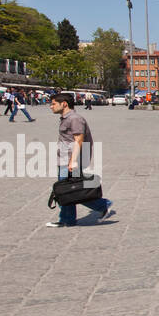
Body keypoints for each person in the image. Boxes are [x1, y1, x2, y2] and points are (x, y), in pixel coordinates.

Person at [45, 92, 113, 227]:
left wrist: (73, 161)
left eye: (53, 104)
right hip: (65, 159)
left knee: (70, 190)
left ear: (63, 104)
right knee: (68, 189)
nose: (50, 106)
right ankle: (67, 219)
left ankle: (103, 204)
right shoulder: (66, 118)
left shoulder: (75, 119)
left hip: (70, 160)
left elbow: (79, 140)